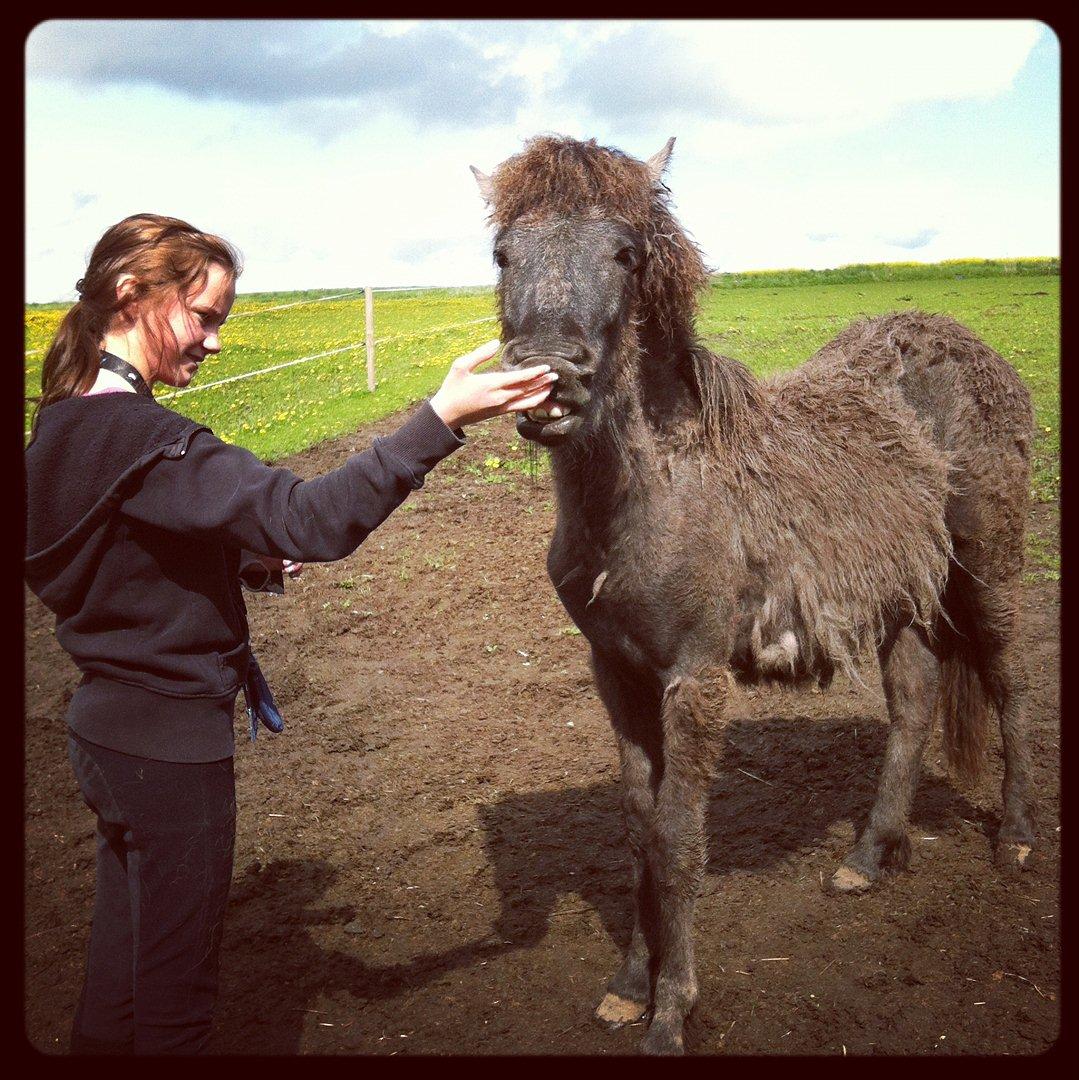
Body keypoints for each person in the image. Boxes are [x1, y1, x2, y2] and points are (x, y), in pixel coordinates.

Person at [24, 213, 558, 1055]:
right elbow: (310, 520)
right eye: (203, 318)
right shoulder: (149, 440)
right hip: (169, 747)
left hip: (103, 735)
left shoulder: (60, 426)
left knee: (116, 982)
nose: (214, 342)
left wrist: (237, 564)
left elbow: (107, 548)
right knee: (175, 1006)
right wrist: (441, 418)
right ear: (132, 295)